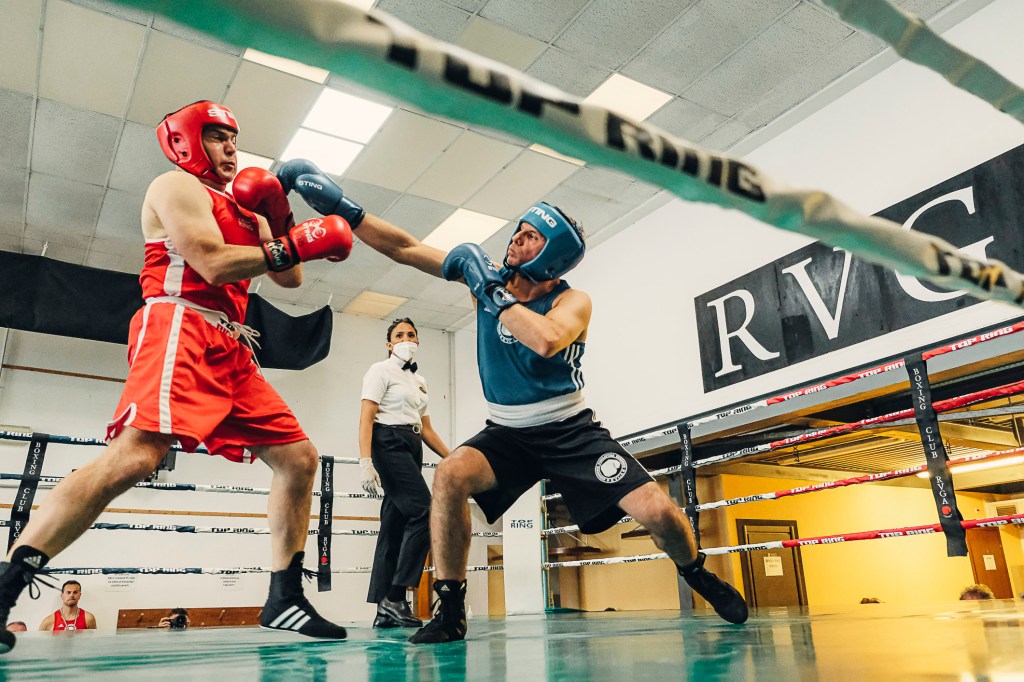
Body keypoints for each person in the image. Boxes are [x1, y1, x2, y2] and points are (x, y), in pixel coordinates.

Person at [275, 159, 750, 644]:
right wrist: (345, 210)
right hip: (507, 431)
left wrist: (491, 291)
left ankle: (697, 573)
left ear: (552, 257)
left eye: (531, 236)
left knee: (660, 512)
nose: (516, 238)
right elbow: (406, 248)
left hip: (570, 430)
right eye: (519, 229)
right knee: (450, 474)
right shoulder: (487, 277)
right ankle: (450, 609)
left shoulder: (572, 300)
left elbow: (545, 340)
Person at [0, 101, 356, 654]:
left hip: (232, 343)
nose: (230, 147)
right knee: (136, 457)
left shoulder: (247, 208)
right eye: (216, 136)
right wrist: (293, 241)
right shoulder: (175, 186)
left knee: (299, 458)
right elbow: (210, 262)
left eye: (233, 137)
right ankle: (5, 589)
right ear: (186, 143)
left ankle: (284, 597)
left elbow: (290, 279)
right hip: (179, 322)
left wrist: (282, 218)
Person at [360, 317, 450, 628]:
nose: (406, 339)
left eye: (411, 334)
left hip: (413, 444)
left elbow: (427, 429)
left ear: (418, 340)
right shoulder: (380, 370)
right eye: (399, 335)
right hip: (388, 442)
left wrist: (454, 458)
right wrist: (365, 461)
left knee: (394, 524)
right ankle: (396, 596)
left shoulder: (419, 380)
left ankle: (384, 610)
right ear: (389, 344)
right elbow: (366, 418)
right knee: (425, 512)